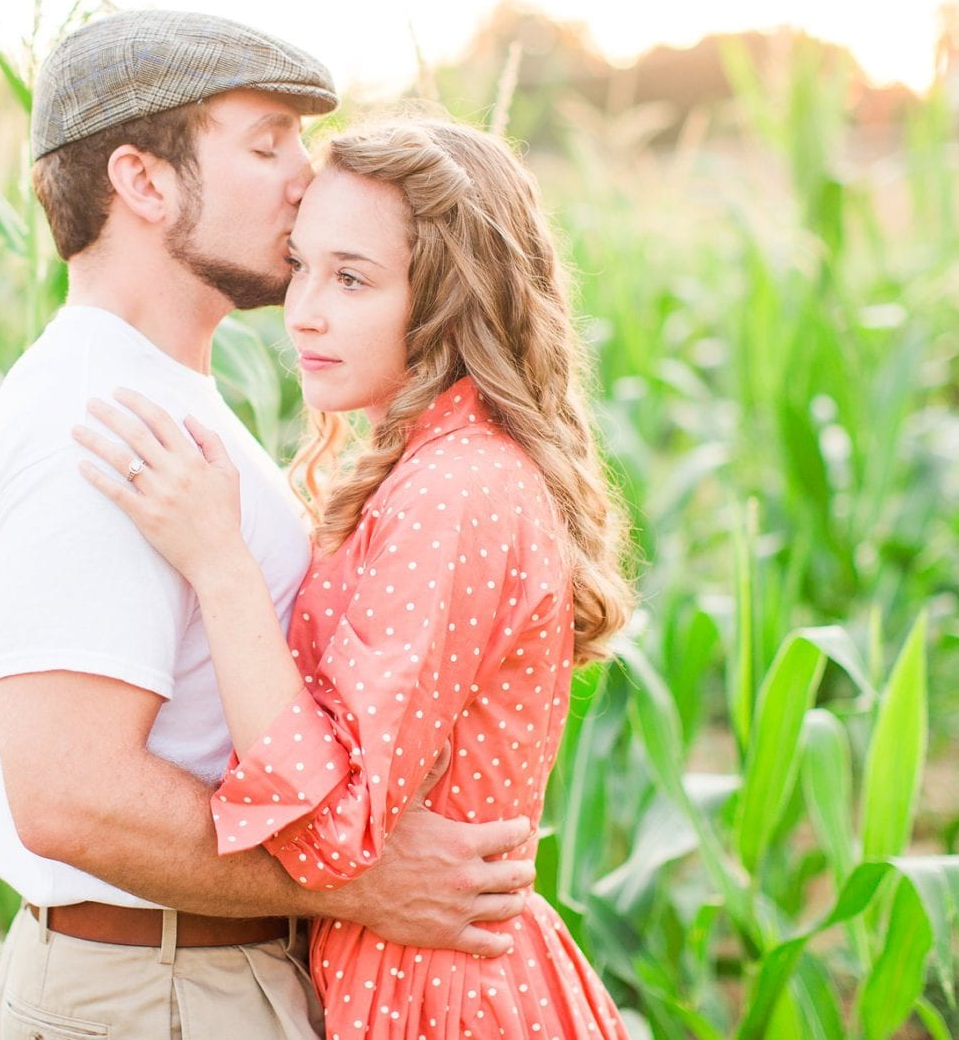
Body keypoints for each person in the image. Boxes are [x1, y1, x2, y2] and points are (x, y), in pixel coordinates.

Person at [0, 12, 542, 1040]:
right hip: (159, 992)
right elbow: (69, 793)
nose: (303, 176)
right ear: (145, 182)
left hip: (194, 979)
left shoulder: (172, 395)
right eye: (268, 142)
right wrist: (352, 884)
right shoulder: (99, 428)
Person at [74, 115, 637, 1039]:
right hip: (410, 974)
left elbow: (333, 828)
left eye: (351, 277)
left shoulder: (455, 488)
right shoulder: (427, 464)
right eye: (299, 265)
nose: (303, 310)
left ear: (449, 300)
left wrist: (219, 562)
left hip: (441, 994)